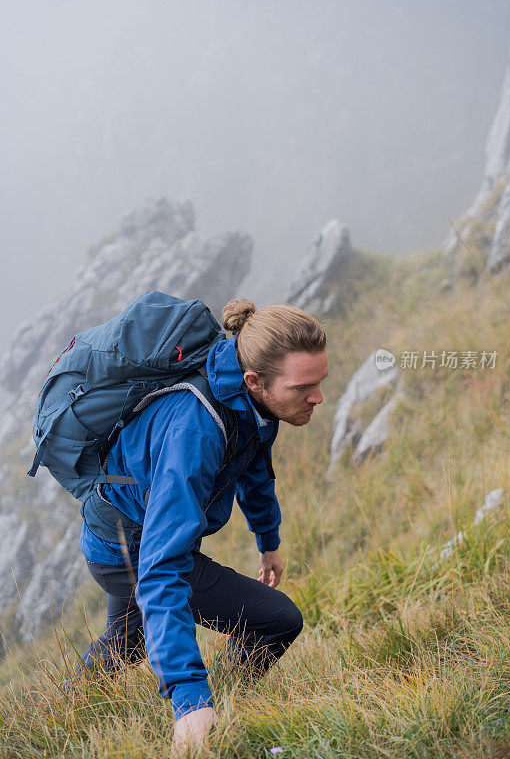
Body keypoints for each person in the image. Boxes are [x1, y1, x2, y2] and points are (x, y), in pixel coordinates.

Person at [75, 298, 328, 755]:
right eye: (303, 387)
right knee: (277, 620)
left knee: (126, 641)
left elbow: (254, 468)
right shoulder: (196, 432)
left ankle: (65, 709)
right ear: (255, 381)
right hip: (128, 547)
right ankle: (205, 715)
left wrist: (268, 542)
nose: (317, 397)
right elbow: (161, 566)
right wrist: (190, 697)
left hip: (117, 528)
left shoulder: (251, 402)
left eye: (319, 382)